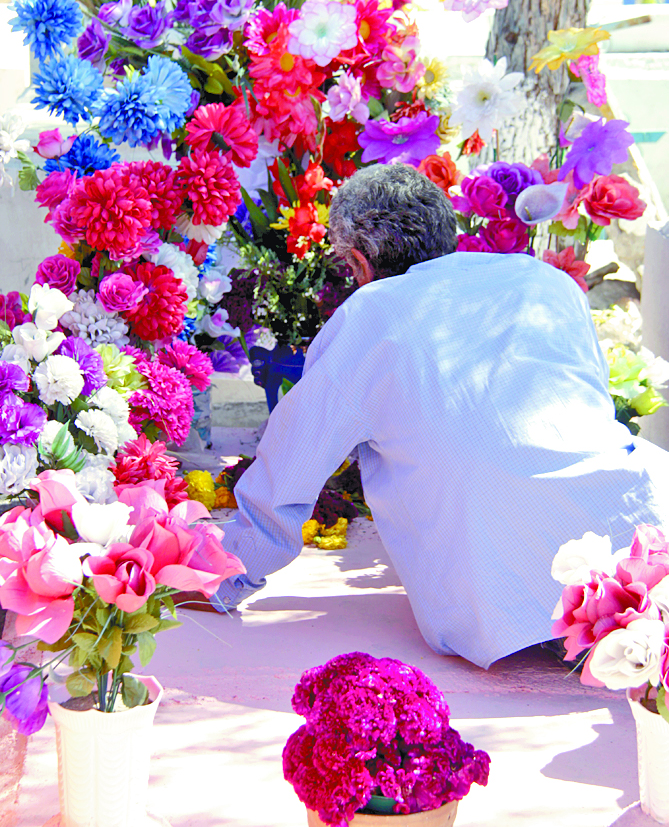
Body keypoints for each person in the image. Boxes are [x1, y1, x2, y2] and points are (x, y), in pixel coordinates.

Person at [201, 163, 669, 669]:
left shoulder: (371, 313)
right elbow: (592, 402)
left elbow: (289, 468)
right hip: (641, 526)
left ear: (358, 263)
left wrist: (222, 577)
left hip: (502, 593)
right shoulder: (547, 283)